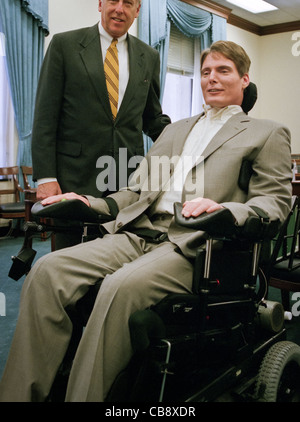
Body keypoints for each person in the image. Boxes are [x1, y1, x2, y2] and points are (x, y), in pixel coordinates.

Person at [0, 41, 292, 402]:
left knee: (119, 288)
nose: (211, 79)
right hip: (140, 231)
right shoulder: (174, 130)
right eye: (205, 72)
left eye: (223, 71)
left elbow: (273, 202)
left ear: (244, 79)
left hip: (197, 245)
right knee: (47, 271)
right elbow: (137, 193)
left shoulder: (264, 132)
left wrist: (225, 210)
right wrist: (89, 200)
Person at [31, 0, 170, 248]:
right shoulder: (64, 45)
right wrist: (46, 177)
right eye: (113, 0)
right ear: (100, 4)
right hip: (74, 179)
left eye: (128, 2)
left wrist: (189, 135)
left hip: (124, 180)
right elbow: (45, 117)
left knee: (115, 260)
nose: (120, 8)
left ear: (137, 10)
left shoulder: (149, 56)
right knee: (68, 262)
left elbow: (151, 117)